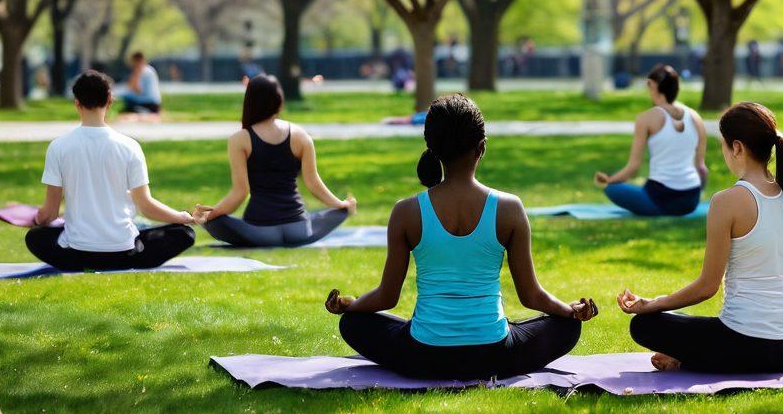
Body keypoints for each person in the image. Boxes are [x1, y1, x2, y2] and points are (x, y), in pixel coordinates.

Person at [325, 94, 598, 380]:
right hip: (494, 356)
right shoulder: (509, 208)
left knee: (353, 324)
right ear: (481, 148)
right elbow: (531, 296)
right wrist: (569, 311)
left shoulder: (406, 211)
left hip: (423, 357)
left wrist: (351, 305)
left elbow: (387, 297)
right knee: (567, 327)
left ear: (432, 149)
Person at [618, 102, 783, 373]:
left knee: (645, 324)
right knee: (686, 325)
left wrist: (653, 303)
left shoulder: (727, 201)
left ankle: (686, 359)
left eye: (723, 146)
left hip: (744, 345)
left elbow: (707, 287)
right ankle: (688, 359)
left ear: (736, 147)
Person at [24, 70, 197, 271]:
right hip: (125, 254)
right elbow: (146, 206)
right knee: (185, 233)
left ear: (77, 103)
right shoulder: (129, 146)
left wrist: (37, 219)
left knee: (35, 237)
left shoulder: (58, 147)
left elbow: (50, 214)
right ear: (109, 100)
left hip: (76, 255)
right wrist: (181, 216)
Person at [195, 75, 356, 247]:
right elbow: (313, 183)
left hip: (259, 232)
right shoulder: (301, 135)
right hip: (300, 230)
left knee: (215, 221)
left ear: (249, 102)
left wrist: (209, 216)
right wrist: (341, 205)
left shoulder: (239, 140)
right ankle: (344, 209)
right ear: (279, 101)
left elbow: (240, 193)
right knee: (327, 215)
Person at [594, 64, 707, 216]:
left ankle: (653, 205)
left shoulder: (646, 118)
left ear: (653, 86)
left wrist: (609, 180)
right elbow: (701, 169)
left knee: (612, 189)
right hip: (690, 200)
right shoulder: (695, 117)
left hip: (660, 199)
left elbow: (633, 167)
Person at [119, 51, 161, 115]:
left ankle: (144, 112)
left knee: (128, 100)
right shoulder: (148, 69)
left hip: (150, 104)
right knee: (127, 99)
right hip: (151, 103)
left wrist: (134, 75)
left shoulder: (143, 71)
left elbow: (136, 90)